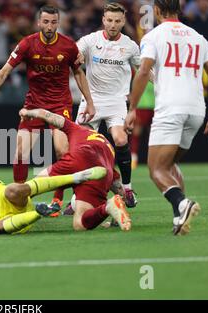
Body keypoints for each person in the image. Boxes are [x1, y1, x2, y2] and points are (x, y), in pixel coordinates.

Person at [0, 5, 95, 215]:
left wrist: (89, 101)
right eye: (46, 22)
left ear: (58, 23)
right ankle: (18, 199)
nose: (50, 26)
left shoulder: (68, 46)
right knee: (20, 153)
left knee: (63, 152)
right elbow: (6, 69)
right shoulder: (27, 44)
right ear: (38, 22)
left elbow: (79, 73)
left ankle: (57, 200)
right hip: (33, 105)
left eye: (53, 22)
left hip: (60, 105)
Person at [125, 0, 208, 235]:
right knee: (169, 164)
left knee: (156, 169)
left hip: (170, 108)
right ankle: (180, 217)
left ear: (156, 10)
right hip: (197, 110)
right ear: (179, 10)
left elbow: (144, 69)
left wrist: (132, 109)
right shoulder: (198, 36)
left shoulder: (153, 36)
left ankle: (182, 203)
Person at [19, 108, 131, 232]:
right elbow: (117, 185)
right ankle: (108, 207)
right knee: (80, 224)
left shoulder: (76, 128)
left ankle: (11, 212)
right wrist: (119, 208)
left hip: (77, 159)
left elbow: (48, 115)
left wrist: (28, 113)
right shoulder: (108, 145)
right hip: (101, 172)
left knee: (31, 188)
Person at [75, 2, 140, 208]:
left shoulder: (130, 45)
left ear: (123, 22)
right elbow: (73, 51)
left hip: (116, 101)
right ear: (103, 20)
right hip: (91, 100)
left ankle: (127, 188)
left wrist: (163, 86)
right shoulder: (90, 40)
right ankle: (77, 198)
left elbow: (144, 71)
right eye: (109, 20)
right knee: (80, 149)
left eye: (117, 21)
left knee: (120, 139)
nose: (113, 24)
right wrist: (75, 55)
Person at [0, 166, 109, 235]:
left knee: (11, 190)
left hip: (11, 206)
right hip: (19, 218)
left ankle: (75, 177)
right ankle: (41, 211)